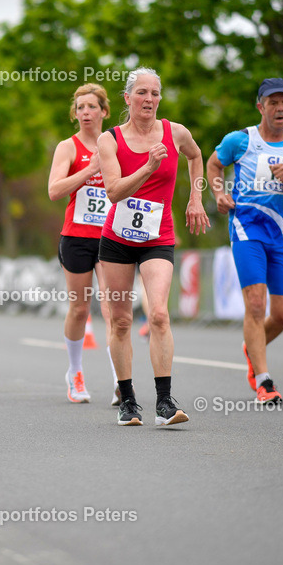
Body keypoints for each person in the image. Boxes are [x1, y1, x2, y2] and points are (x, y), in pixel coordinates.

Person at [97, 68, 210, 426]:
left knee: (159, 314)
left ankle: (164, 401)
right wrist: (148, 167)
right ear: (127, 98)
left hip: (157, 237)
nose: (149, 100)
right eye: (142, 93)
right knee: (120, 321)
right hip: (116, 240)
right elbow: (114, 191)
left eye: (155, 93)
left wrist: (196, 196)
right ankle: (128, 401)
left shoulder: (175, 132)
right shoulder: (109, 140)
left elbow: (196, 156)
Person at [206, 77, 283, 405]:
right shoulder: (240, 140)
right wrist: (219, 193)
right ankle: (264, 381)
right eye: (273, 102)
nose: (280, 107)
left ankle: (251, 347)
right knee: (256, 305)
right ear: (261, 107)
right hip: (246, 229)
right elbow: (214, 163)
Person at [47, 83, 119, 404]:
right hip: (76, 237)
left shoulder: (118, 143)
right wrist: (89, 170)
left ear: (104, 111)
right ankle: (75, 373)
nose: (85, 113)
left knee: (113, 307)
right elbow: (54, 190)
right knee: (80, 308)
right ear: (74, 114)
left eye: (91, 107)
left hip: (111, 237)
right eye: (80, 108)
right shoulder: (68, 147)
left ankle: (121, 379)